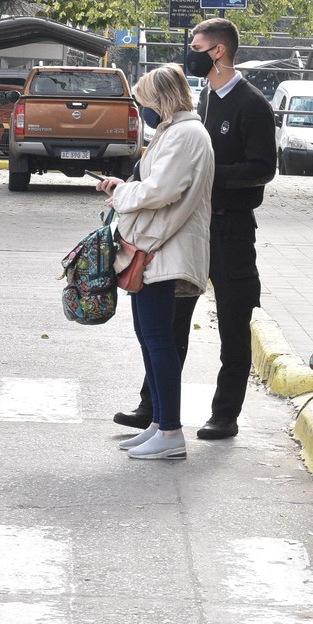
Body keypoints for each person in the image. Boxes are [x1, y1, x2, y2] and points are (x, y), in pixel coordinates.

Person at [113, 18, 276, 441]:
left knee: (233, 324)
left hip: (230, 228)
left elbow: (263, 169)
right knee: (169, 324)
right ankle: (155, 409)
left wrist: (203, 176)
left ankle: (225, 413)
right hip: (188, 227)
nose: (191, 52)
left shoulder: (251, 103)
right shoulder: (200, 102)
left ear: (218, 51)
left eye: (197, 45)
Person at [97, 64, 214, 461]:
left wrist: (124, 195)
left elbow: (162, 191)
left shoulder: (185, 134)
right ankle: (158, 424)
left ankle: (170, 431)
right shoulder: (175, 131)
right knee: (151, 340)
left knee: (160, 341)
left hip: (163, 248)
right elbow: (156, 185)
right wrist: (125, 188)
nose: (143, 108)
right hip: (156, 247)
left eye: (146, 101)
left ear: (162, 100)